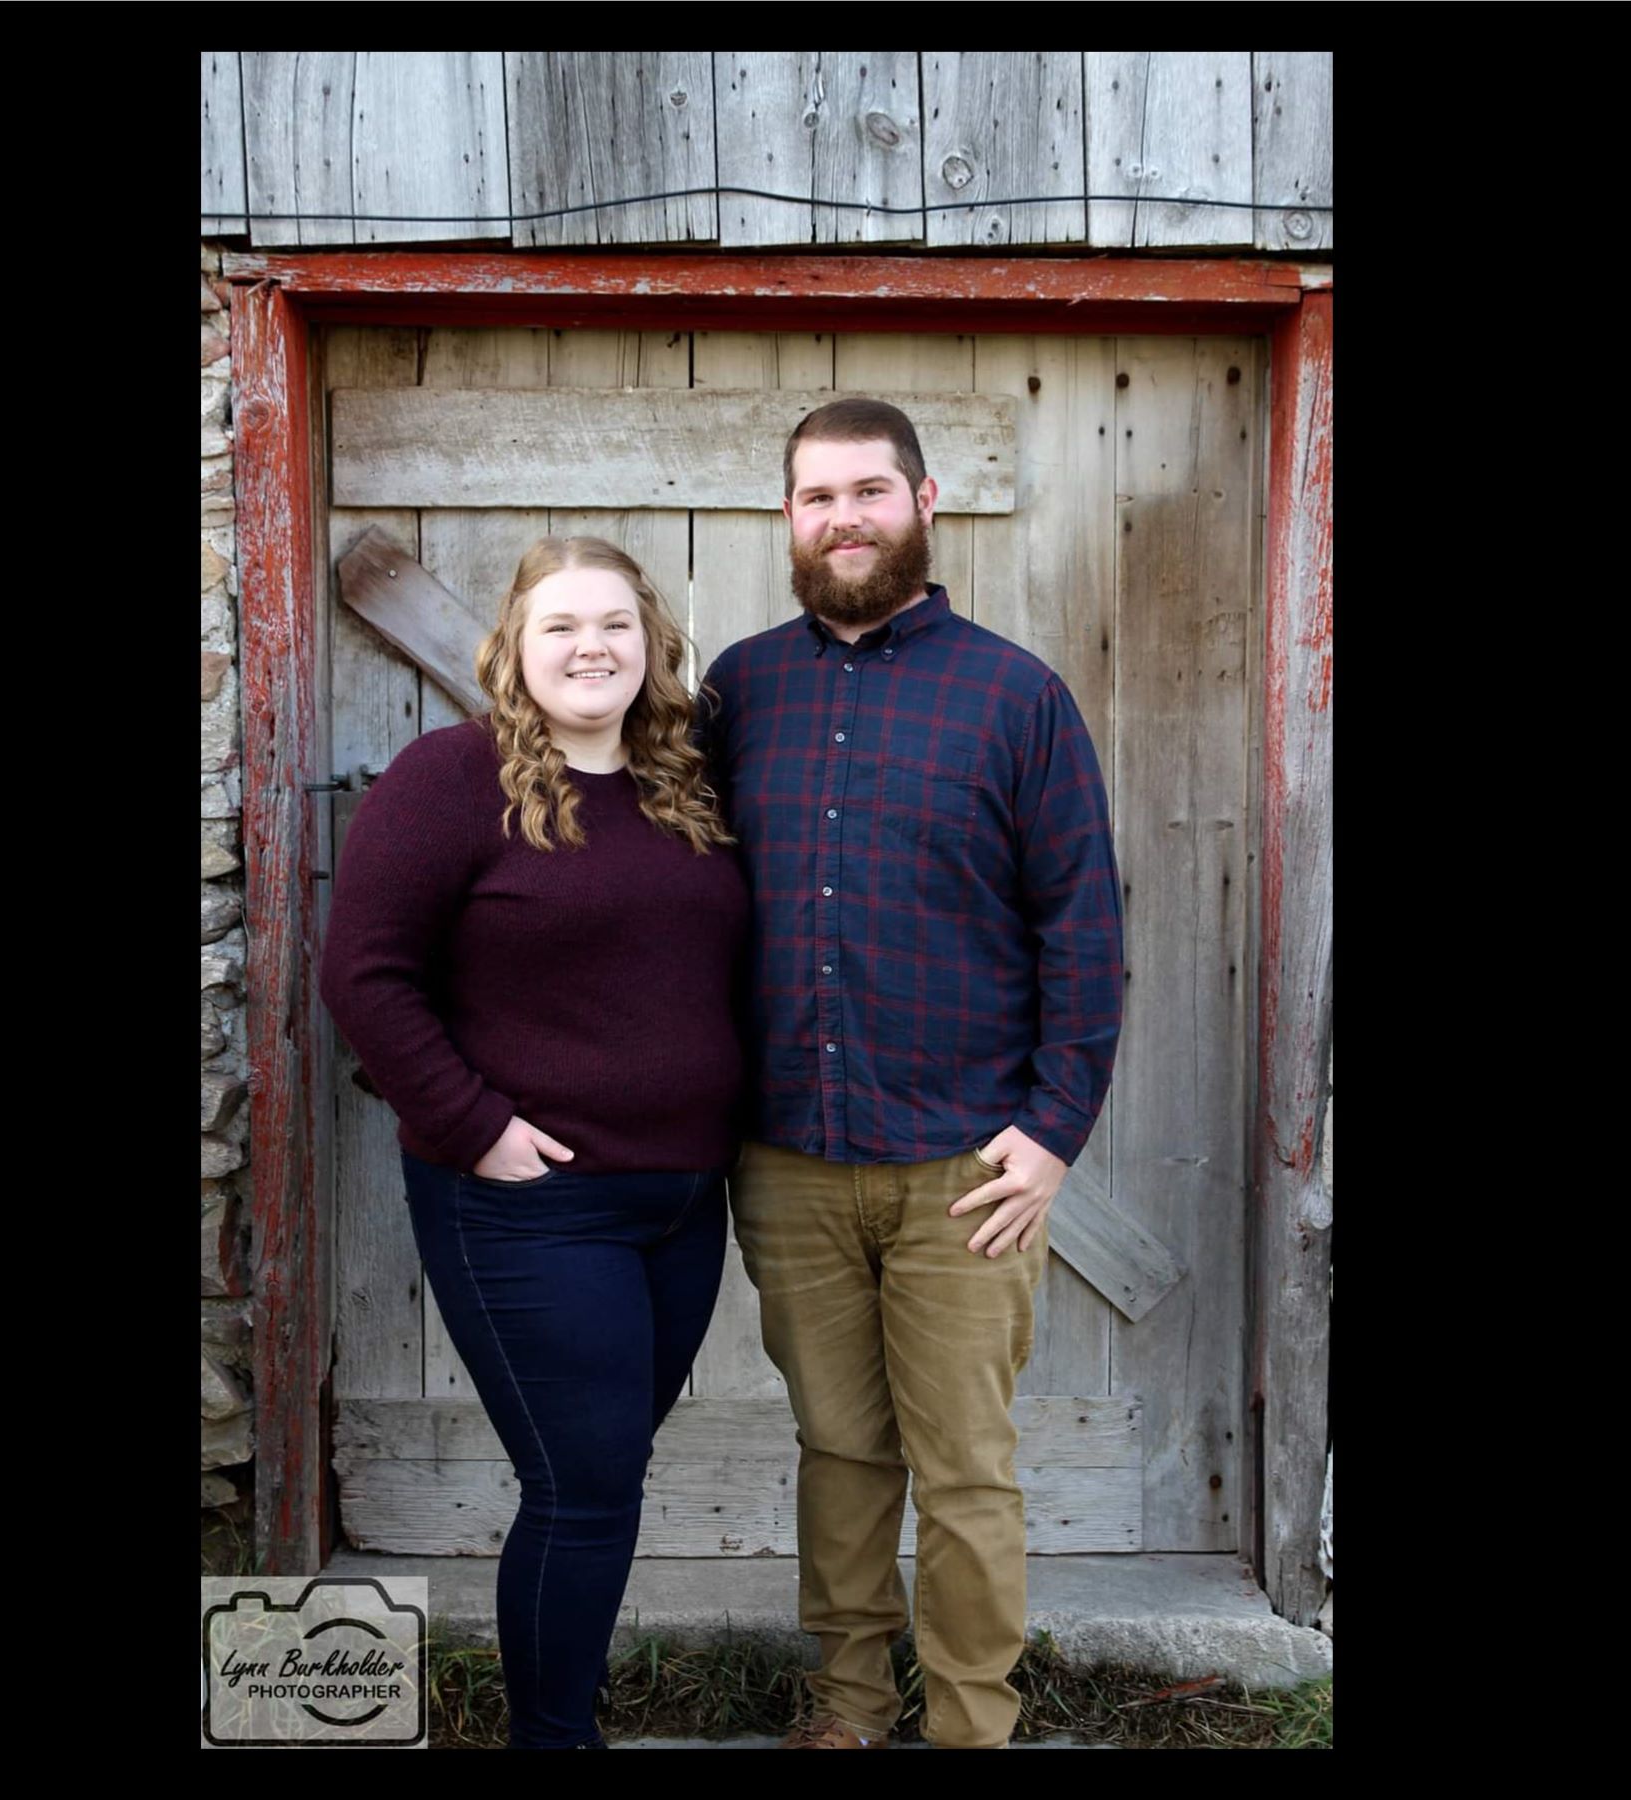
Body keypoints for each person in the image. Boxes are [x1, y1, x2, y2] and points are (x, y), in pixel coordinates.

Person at [699, 399, 1126, 1750]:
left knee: (965, 1473)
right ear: (788, 517)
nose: (844, 519)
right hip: (789, 1162)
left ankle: (969, 1725)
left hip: (967, 1171)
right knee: (838, 1452)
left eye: (870, 491)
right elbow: (671, 892)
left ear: (924, 501)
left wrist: (1053, 1134)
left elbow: (1085, 928)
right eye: (817, 495)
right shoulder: (737, 690)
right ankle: (845, 1708)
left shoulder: (1016, 696)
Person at [318, 536, 748, 1751]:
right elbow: (363, 972)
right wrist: (475, 1129)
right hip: (527, 1207)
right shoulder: (451, 778)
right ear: (511, 647)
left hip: (678, 1208)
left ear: (654, 645)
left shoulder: (684, 788)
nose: (591, 647)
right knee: (585, 1489)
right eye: (559, 625)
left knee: (599, 1484)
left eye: (615, 623)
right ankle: (552, 1738)